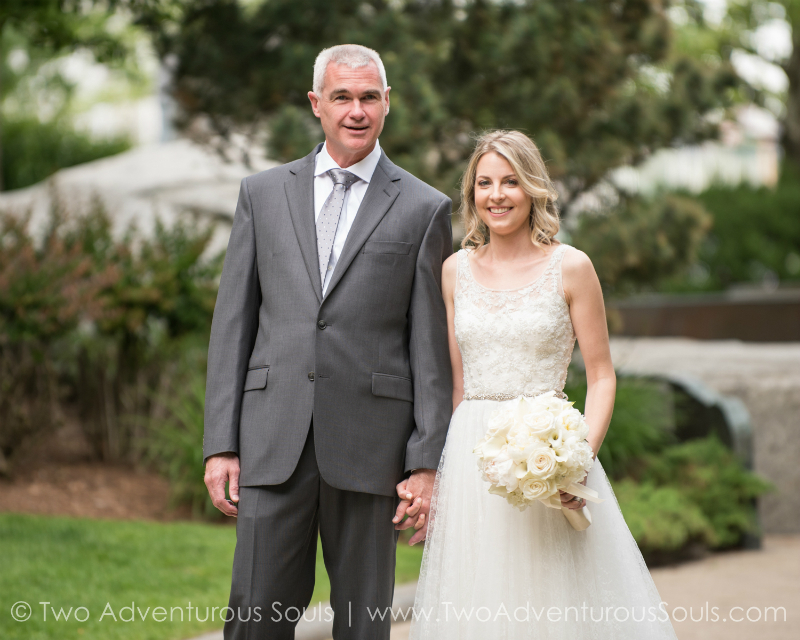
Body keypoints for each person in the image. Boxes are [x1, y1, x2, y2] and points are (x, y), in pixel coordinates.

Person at [202, 44, 453, 640]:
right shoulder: (261, 194)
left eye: (369, 97)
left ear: (387, 104)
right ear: (317, 103)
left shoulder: (425, 207)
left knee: (364, 626)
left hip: (372, 449)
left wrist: (424, 462)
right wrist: (221, 444)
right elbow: (232, 324)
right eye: (342, 96)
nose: (356, 110)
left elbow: (431, 350)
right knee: (256, 617)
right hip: (270, 439)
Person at [406, 130, 678, 639]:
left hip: (551, 454)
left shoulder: (571, 267)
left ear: (532, 188)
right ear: (471, 194)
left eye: (510, 181)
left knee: (556, 605)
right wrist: (439, 474)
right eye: (484, 183)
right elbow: (457, 387)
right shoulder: (452, 273)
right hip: (474, 459)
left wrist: (577, 460)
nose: (497, 195)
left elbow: (601, 376)